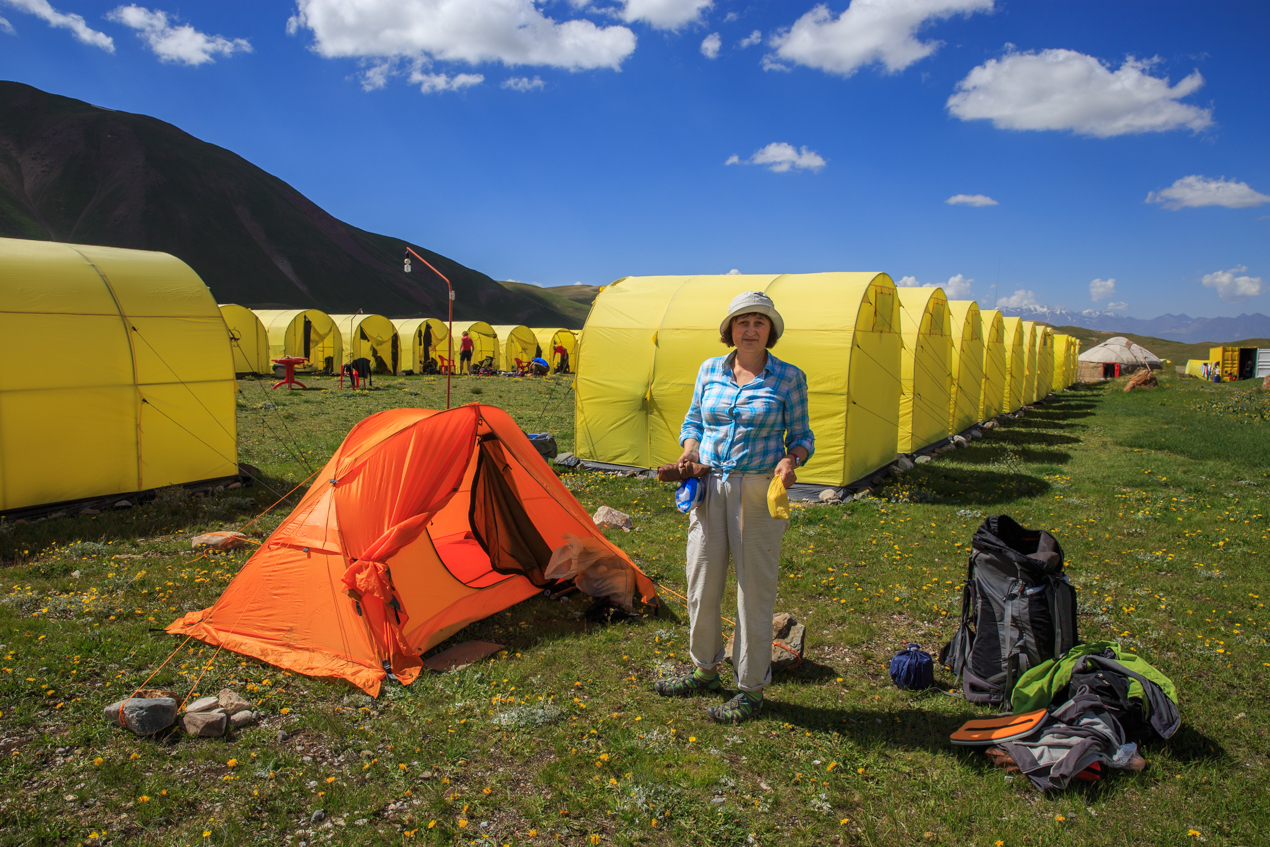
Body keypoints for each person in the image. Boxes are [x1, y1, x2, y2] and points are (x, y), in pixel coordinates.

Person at [654, 291, 813, 723]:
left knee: (754, 591)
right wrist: (689, 452)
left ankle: (750, 688)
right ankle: (705, 669)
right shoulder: (709, 370)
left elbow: (802, 436)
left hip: (758, 490)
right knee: (701, 581)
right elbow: (694, 423)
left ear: (771, 331)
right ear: (730, 329)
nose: (750, 329)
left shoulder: (788, 378)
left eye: (760, 322)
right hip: (708, 486)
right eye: (743, 321)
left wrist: (791, 458)